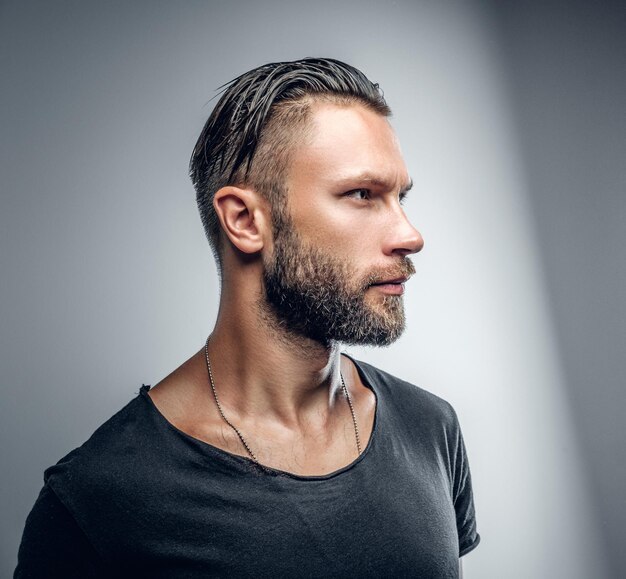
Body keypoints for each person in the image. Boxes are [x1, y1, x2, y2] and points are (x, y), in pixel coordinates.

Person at [15, 57, 479, 578]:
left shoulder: (431, 429)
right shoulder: (98, 504)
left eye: (401, 197)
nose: (410, 235)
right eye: (362, 195)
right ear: (243, 220)